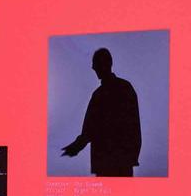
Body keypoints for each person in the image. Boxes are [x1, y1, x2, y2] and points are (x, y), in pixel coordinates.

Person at [59, 47, 141, 177]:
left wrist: (76, 147)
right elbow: (134, 126)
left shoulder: (101, 94)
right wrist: (131, 157)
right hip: (118, 161)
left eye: (95, 64)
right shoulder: (123, 88)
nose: (93, 67)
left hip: (109, 162)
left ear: (105, 64)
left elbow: (89, 130)